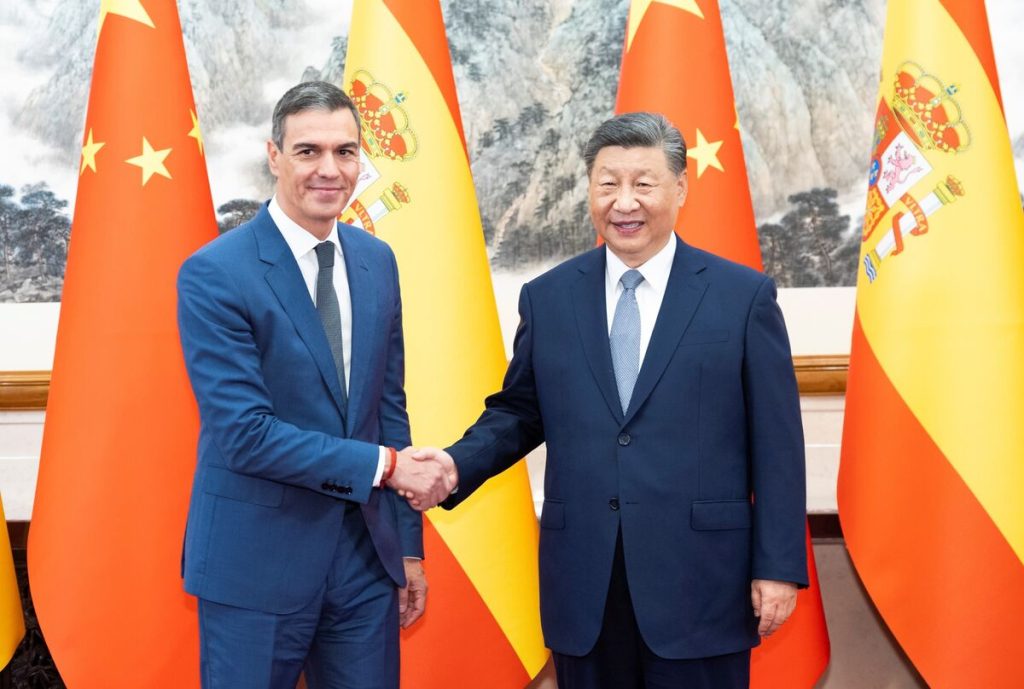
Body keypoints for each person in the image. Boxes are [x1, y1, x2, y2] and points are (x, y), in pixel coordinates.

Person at [415, 112, 808, 689]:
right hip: (586, 585)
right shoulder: (549, 298)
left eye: (643, 183)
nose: (624, 202)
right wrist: (454, 465)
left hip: (701, 584)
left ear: (680, 188)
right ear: (590, 190)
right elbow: (520, 412)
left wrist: (777, 567)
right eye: (607, 184)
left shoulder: (741, 297)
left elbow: (777, 444)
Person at [177, 81, 453, 689]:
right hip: (254, 567)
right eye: (308, 151)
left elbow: (388, 409)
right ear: (274, 157)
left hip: (365, 563)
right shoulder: (215, 273)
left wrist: (407, 548)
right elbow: (246, 435)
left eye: (345, 151)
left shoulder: (376, 261)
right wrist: (386, 467)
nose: (330, 169)